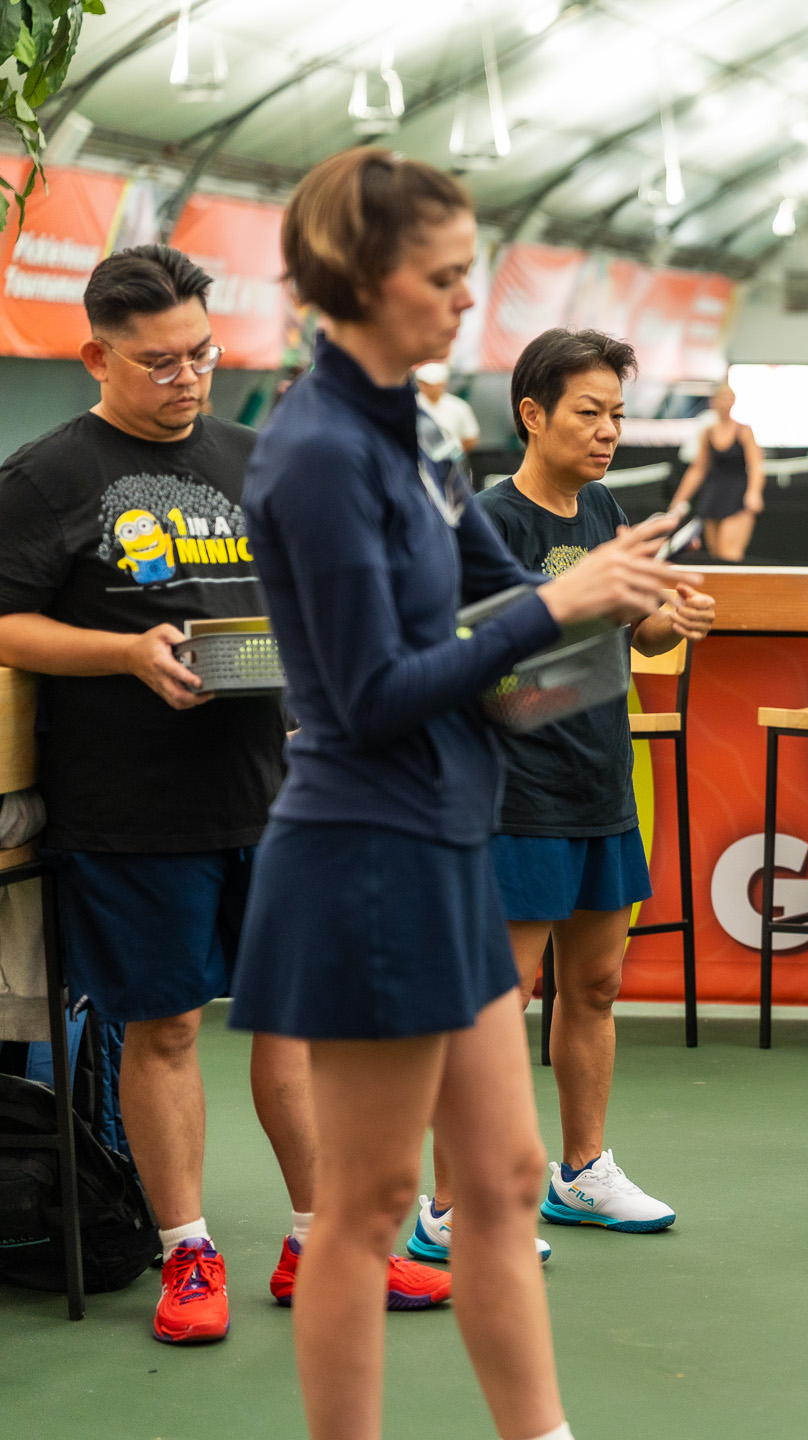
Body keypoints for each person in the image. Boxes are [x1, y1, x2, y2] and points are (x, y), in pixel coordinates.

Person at [230, 147, 679, 1440]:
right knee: (369, 1209)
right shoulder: (319, 452)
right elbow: (371, 693)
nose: (466, 299)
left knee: (505, 1177)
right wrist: (560, 602)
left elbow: (499, 599)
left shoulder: (414, 426)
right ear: (360, 278)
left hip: (445, 839)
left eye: (467, 273)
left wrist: (611, 592)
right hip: (366, 852)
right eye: (441, 277)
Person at [0, 244, 449, 1346]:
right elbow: (4, 624)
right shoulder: (44, 477)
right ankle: (187, 1251)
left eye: (201, 354)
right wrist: (124, 653)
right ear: (96, 356)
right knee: (162, 1031)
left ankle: (323, 1246)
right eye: (159, 362)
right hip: (131, 807)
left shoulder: (255, 458)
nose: (187, 378)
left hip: (274, 796)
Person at [411, 328, 713, 1260]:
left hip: (599, 785)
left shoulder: (605, 510)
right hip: (514, 796)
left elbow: (637, 637)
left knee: (595, 985)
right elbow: (469, 668)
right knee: (496, 1003)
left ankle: (580, 1174)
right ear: (533, 415)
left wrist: (669, 617)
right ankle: (452, 1206)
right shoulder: (490, 523)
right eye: (590, 412)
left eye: (617, 413)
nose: (608, 430)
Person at [667, 381, 764, 561]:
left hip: (736, 496)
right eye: (723, 397)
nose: (726, 402)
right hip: (713, 496)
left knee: (730, 555)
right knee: (716, 557)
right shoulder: (708, 432)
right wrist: (679, 499)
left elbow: (756, 464)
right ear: (714, 401)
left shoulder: (744, 431)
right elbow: (698, 469)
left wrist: (754, 493)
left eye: (730, 398)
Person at [416, 361, 480, 456]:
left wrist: (453, 455)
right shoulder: (411, 404)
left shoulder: (459, 406)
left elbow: (470, 438)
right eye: (422, 383)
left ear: (442, 384)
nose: (425, 387)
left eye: (429, 384)